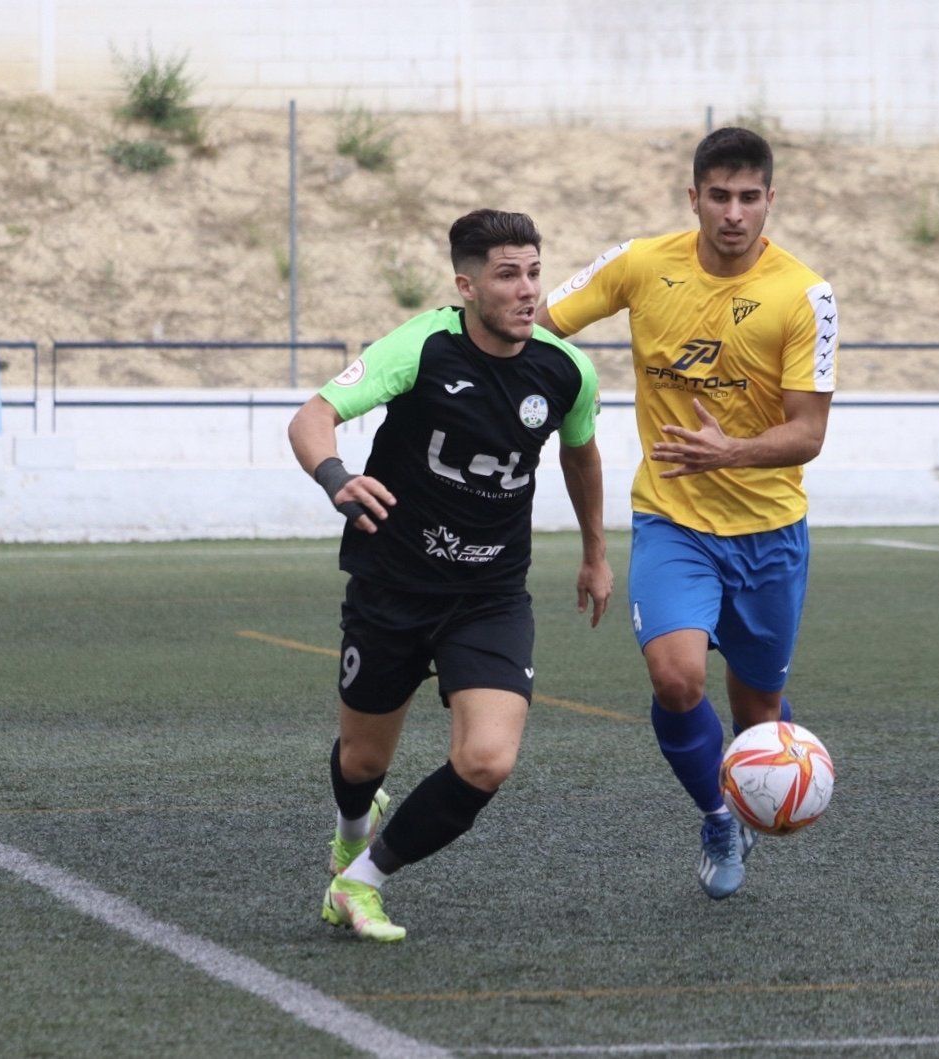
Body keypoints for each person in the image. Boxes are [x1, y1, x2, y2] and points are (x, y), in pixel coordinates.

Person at [287, 208, 612, 942]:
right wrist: (336, 476)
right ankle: (351, 827)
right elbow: (311, 417)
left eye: (533, 271)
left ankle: (361, 881)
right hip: (393, 583)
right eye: (507, 275)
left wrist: (594, 552)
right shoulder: (421, 346)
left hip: (490, 593)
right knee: (363, 758)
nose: (528, 290)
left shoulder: (566, 369)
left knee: (487, 759)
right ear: (466, 285)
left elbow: (580, 453)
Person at [536, 127, 836, 900]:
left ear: (770, 199)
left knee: (757, 710)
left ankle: (769, 767)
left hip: (770, 532)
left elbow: (808, 433)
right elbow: (540, 327)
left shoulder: (805, 295)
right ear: (692, 197)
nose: (733, 213)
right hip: (673, 520)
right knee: (675, 678)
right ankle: (716, 812)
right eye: (718, 196)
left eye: (748, 198)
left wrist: (727, 452)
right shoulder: (640, 263)